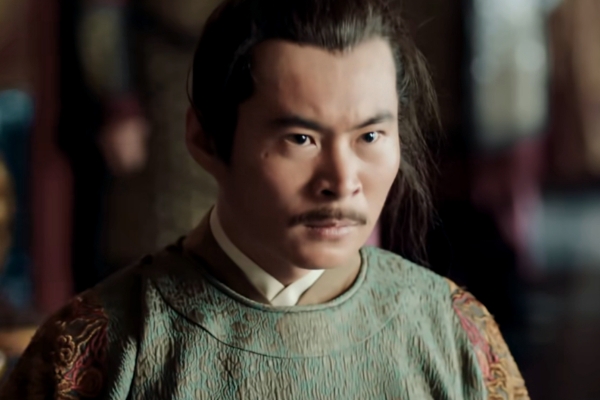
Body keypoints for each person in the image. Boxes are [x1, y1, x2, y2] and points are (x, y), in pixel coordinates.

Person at [0, 0, 529, 398]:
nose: (342, 180)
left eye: (370, 136)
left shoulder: (453, 331)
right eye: (301, 139)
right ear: (205, 139)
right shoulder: (100, 346)